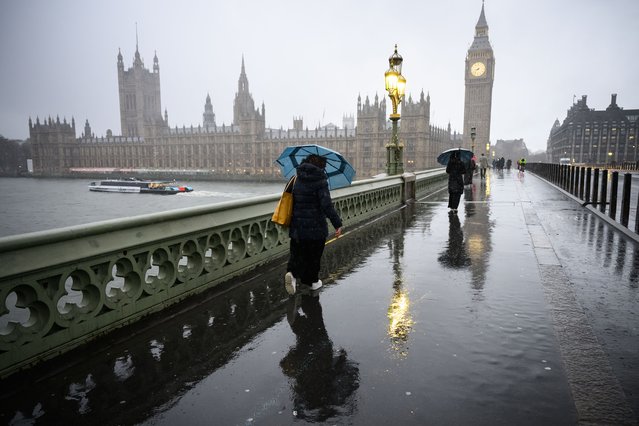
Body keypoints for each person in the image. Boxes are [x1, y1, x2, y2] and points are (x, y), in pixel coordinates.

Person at [285, 154, 343, 295]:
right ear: (321, 166)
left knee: (297, 253)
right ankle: (311, 281)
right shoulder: (320, 181)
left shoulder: (296, 178)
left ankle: (292, 274)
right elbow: (326, 206)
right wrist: (337, 224)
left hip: (297, 226)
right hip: (315, 228)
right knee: (313, 256)